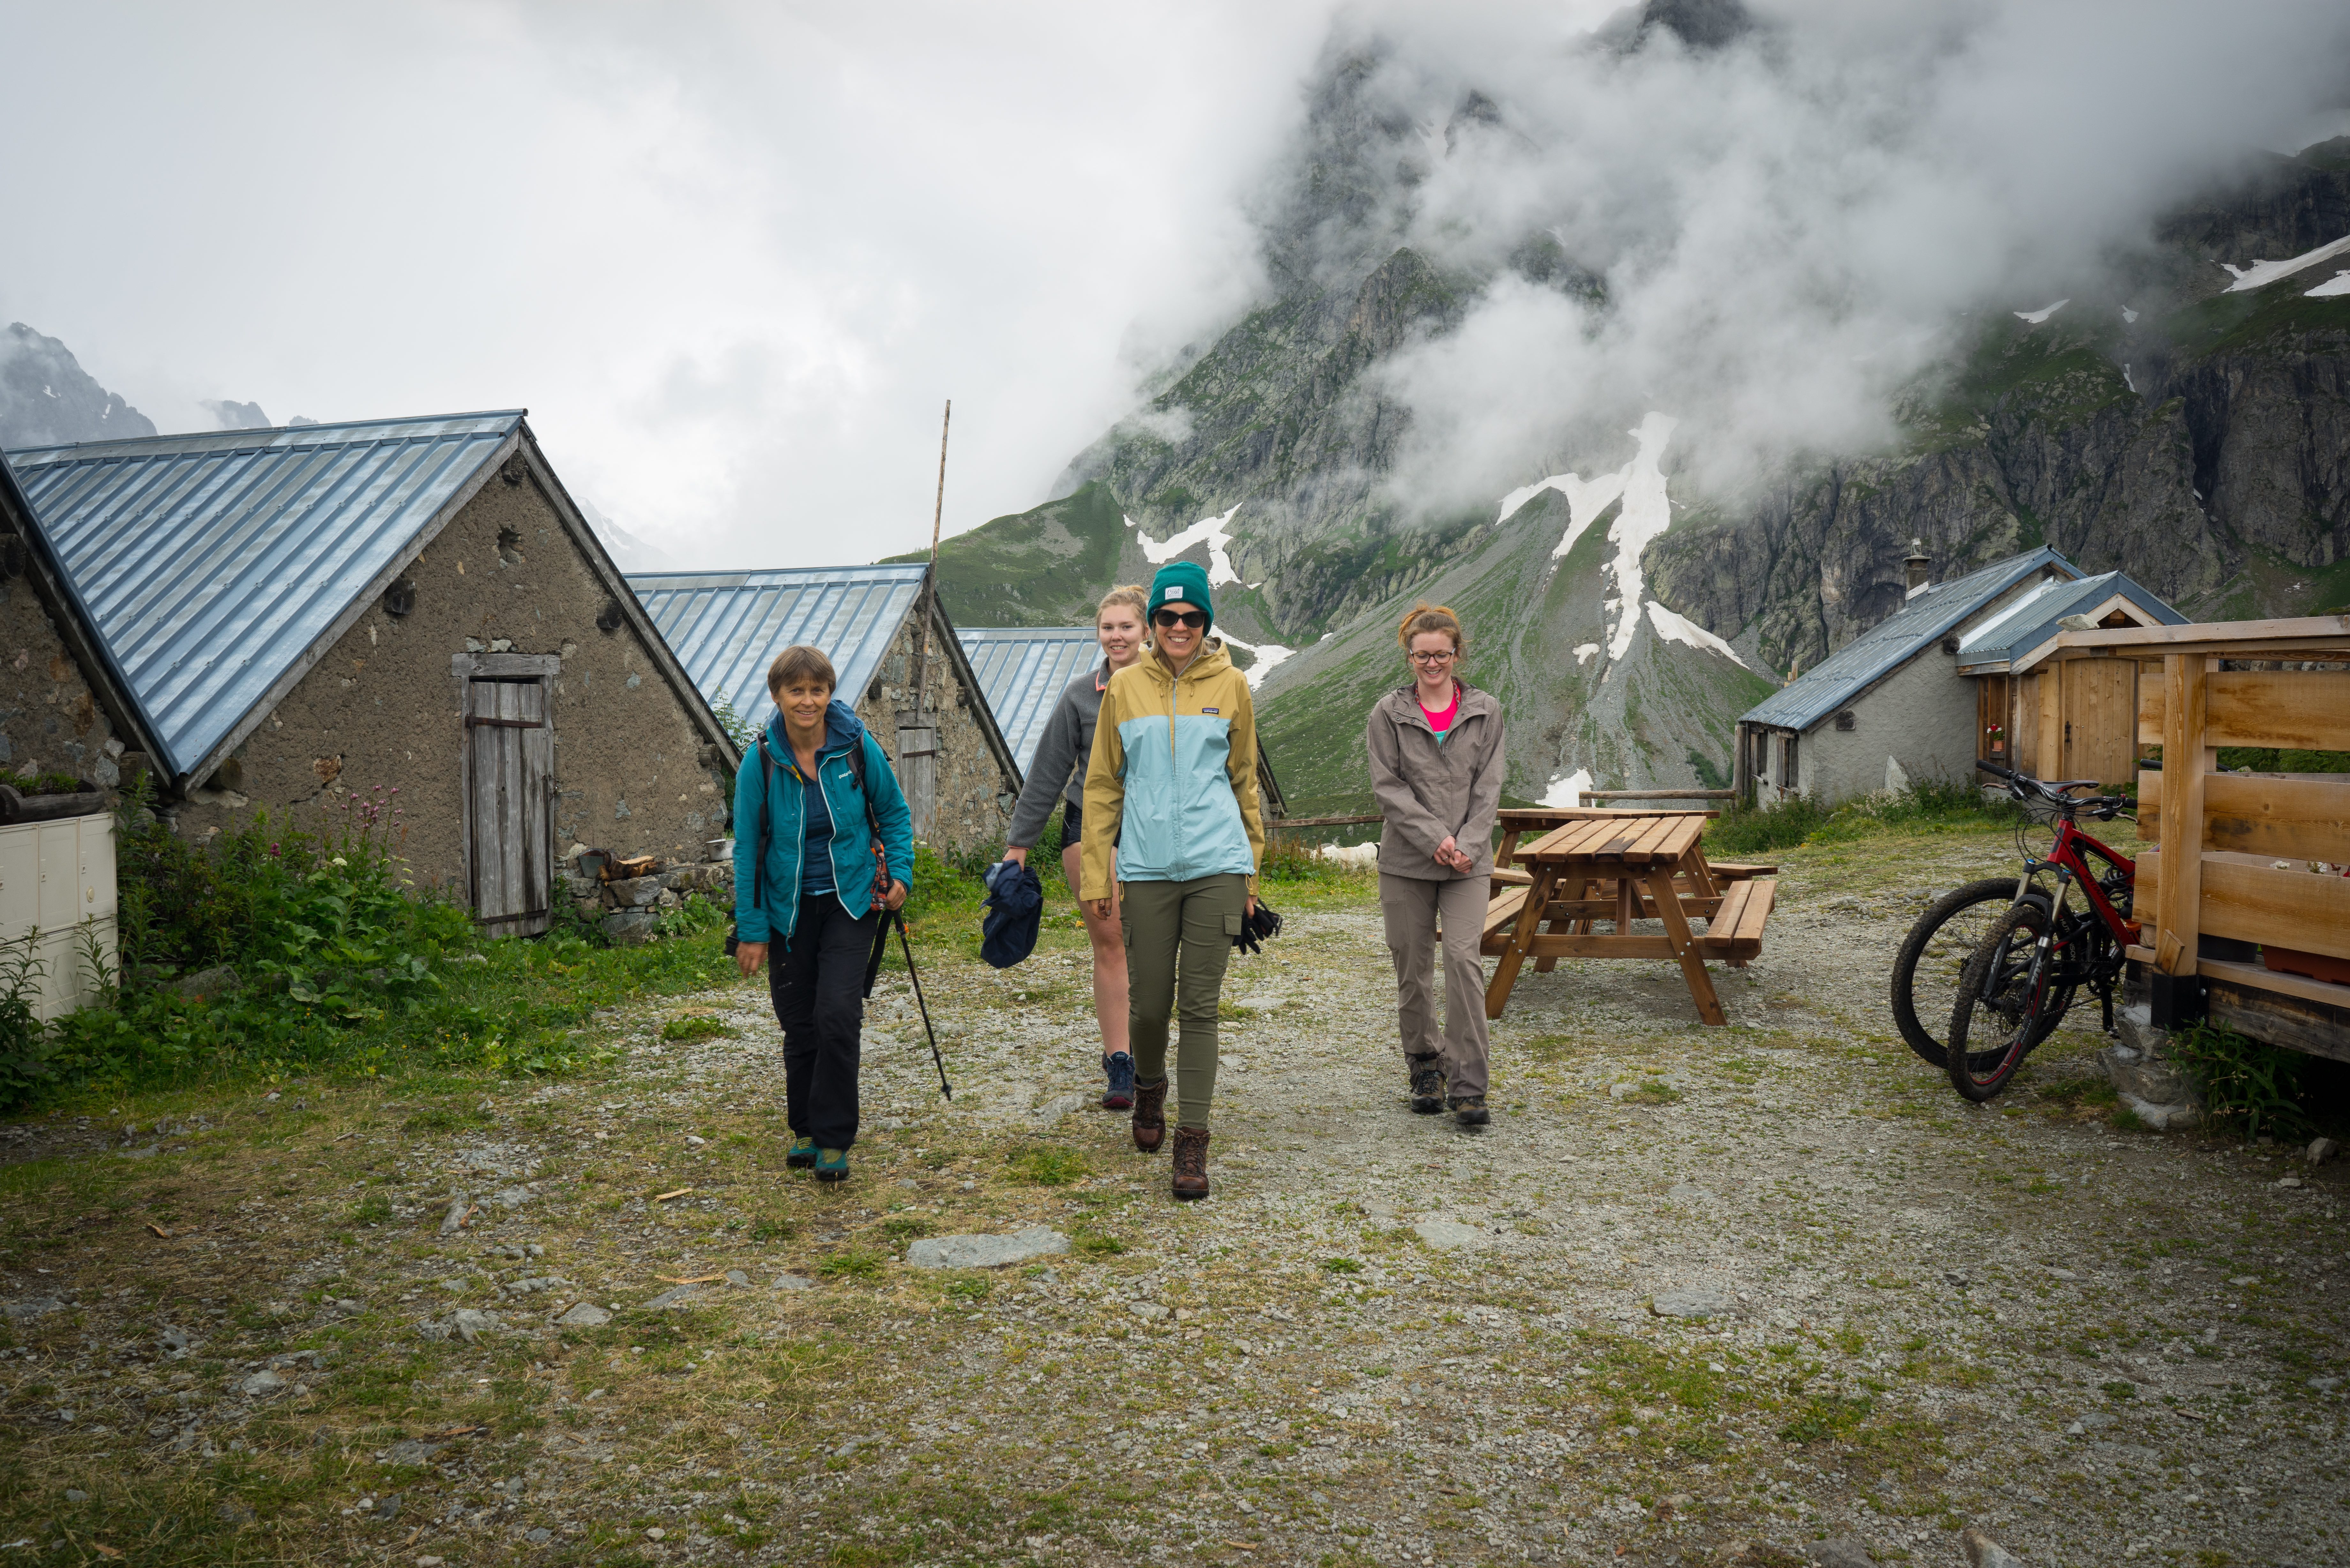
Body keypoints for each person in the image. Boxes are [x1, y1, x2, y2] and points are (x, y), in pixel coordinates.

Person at [1080, 560, 1264, 1201]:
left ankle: (1192, 1139)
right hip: (1147, 870)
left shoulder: (1233, 684)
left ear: (1205, 622)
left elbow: (1244, 783)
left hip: (1217, 864)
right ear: (1152, 622)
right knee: (1150, 1004)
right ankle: (1149, 1087)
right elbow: (1102, 785)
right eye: (1167, 617)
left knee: (1200, 1006)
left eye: (1191, 617)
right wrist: (1098, 872)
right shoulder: (1124, 688)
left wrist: (1249, 873)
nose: (1179, 627)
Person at [732, 644, 914, 1184]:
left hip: (851, 900)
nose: (808, 700)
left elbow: (893, 812)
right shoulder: (761, 758)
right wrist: (752, 929)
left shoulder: (856, 745)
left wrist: (900, 875)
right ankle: (805, 1129)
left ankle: (834, 1138)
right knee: (800, 1022)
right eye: (797, 691)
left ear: (830, 693)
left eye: (818, 690)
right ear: (778, 696)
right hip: (787, 910)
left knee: (838, 1014)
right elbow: (747, 847)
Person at [1001, 584, 1151, 1111]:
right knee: (1111, 943)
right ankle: (1120, 1064)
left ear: (1146, 631)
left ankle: (1148, 1053)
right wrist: (1018, 847)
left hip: (1158, 832)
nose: (1116, 636)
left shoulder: (1169, 689)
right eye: (1107, 627)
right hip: (1090, 829)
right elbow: (1046, 774)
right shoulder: (1079, 696)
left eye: (1126, 627)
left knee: (1152, 949)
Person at [1366, 603, 1504, 1127]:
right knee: (1413, 969)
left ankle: (1470, 1084)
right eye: (1422, 655)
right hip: (1406, 862)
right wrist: (1434, 839)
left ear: (1456, 653)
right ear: (1409, 657)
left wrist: (1466, 842)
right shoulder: (1388, 714)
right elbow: (1389, 787)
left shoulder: (1486, 711)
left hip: (1469, 862)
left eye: (1441, 654)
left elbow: (1490, 785)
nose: (1432, 664)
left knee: (1464, 963)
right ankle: (1425, 1066)